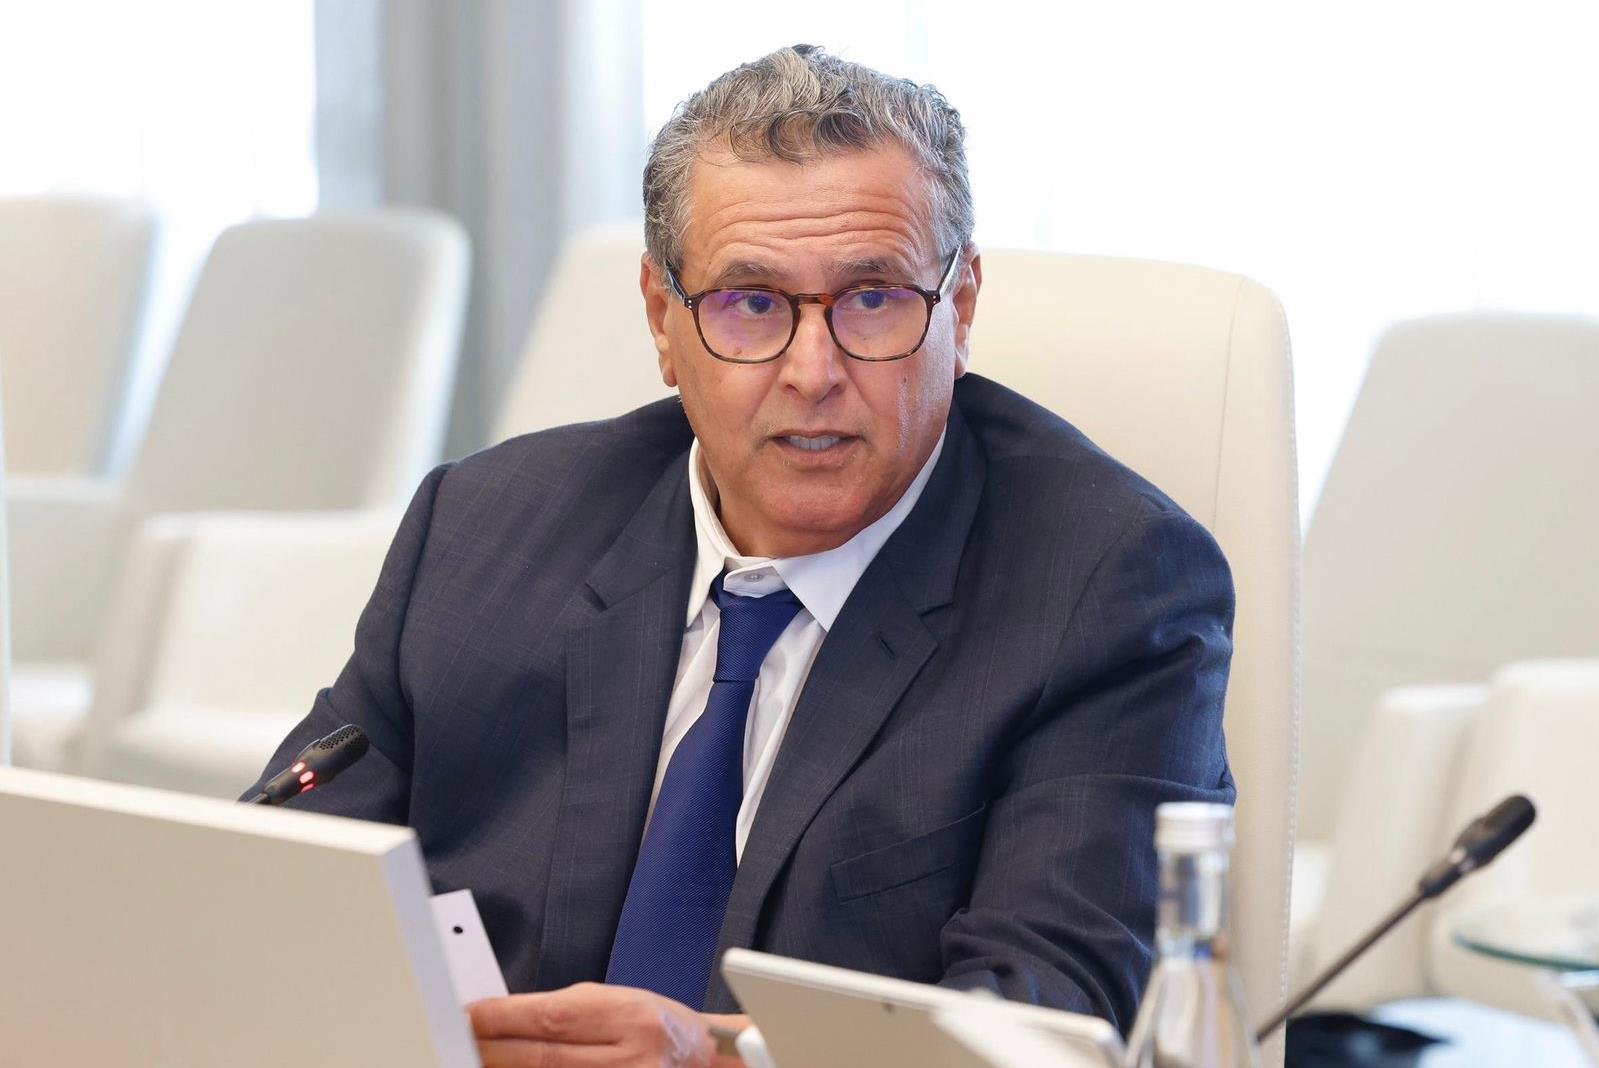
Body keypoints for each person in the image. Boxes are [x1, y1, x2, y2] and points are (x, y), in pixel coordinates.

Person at [248, 45, 1235, 1068]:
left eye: (872, 297)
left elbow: (1047, 1019)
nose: (813, 372)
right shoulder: (484, 529)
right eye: (751, 303)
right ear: (661, 318)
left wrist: (722, 1055)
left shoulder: (1111, 589)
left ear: (963, 303)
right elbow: (281, 887)